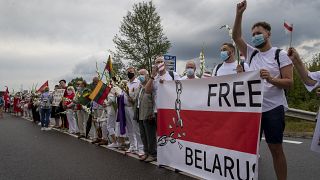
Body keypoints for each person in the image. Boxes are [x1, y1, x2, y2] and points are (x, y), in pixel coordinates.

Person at [232, 1, 293, 179]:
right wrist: (239, 14)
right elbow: (236, 37)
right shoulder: (251, 53)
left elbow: (290, 83)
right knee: (250, 149)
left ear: (268, 34)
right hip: (252, 110)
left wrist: (272, 79)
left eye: (259, 33)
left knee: (275, 149)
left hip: (273, 108)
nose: (255, 36)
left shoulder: (279, 54)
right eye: (253, 34)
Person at [134, 69, 157, 162]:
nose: (140, 76)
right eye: (139, 74)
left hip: (148, 114)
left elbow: (154, 101)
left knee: (150, 135)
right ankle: (146, 152)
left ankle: (153, 154)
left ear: (147, 75)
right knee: (143, 135)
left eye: (142, 74)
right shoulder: (140, 87)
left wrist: (152, 113)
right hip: (140, 113)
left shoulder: (151, 85)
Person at [124, 67, 144, 157]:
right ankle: (132, 146)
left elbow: (138, 96)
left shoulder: (138, 82)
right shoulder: (126, 83)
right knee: (130, 128)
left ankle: (141, 148)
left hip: (133, 107)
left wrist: (133, 100)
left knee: (136, 128)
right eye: (128, 72)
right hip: (126, 108)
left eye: (131, 72)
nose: (129, 73)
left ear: (134, 73)